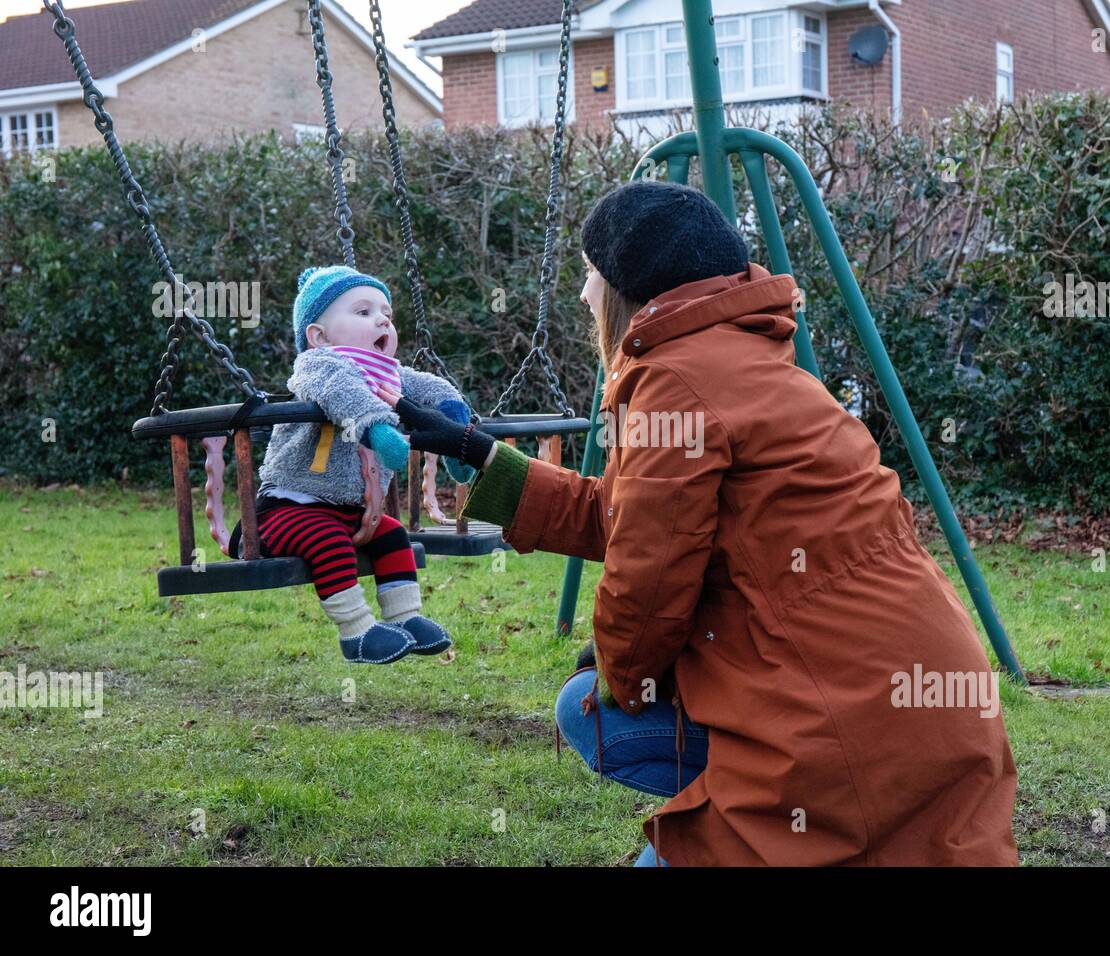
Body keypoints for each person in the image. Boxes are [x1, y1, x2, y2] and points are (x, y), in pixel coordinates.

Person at [384, 181, 1018, 866]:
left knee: (589, 714)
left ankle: (756, 813)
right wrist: (481, 456)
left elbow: (648, 577)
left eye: (591, 275)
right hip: (930, 701)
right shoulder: (744, 362)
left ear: (631, 288)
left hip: (838, 720)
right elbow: (639, 519)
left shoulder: (674, 381)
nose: (582, 295)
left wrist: (622, 673)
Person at [247, 265, 468, 665]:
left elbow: (432, 387)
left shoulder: (390, 373)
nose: (382, 319)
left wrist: (456, 425)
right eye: (363, 312)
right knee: (326, 540)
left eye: (386, 313)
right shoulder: (318, 366)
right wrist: (380, 431)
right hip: (290, 508)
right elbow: (346, 395)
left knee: (393, 536)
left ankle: (405, 617)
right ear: (319, 336)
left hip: (350, 512)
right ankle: (356, 632)